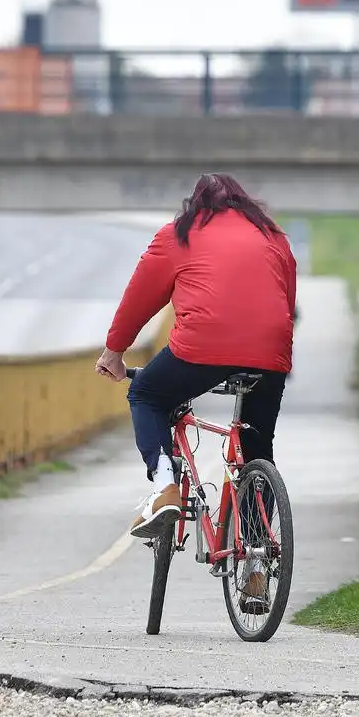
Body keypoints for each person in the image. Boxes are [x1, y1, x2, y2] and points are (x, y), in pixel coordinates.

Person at [95, 174, 297, 609]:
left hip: (204, 344)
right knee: (257, 444)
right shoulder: (272, 236)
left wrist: (115, 352)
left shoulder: (178, 235)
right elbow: (286, 296)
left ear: (195, 205)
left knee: (147, 395)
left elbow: (140, 297)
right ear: (244, 205)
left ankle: (165, 487)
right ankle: (258, 568)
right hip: (271, 348)